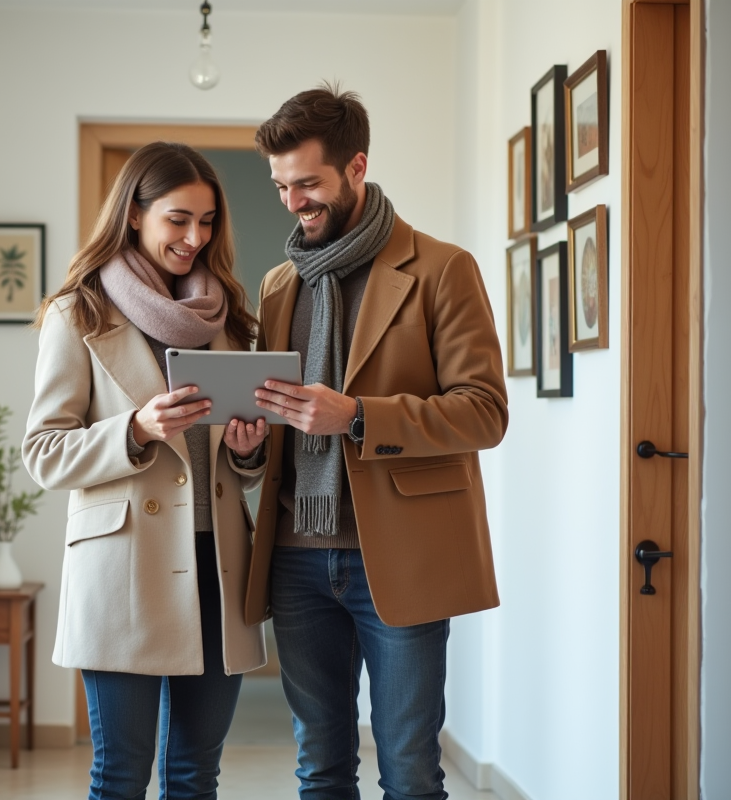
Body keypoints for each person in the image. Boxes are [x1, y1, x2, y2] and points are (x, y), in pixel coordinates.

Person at [247, 84, 509, 800]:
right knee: (320, 769)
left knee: (410, 771)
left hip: (404, 554)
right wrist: (246, 437)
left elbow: (484, 412)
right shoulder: (277, 286)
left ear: (357, 168)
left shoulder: (442, 269)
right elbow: (274, 426)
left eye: (308, 184)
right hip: (297, 561)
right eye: (280, 186)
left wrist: (358, 415)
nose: (293, 202)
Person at [22, 141, 270, 800]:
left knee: (195, 775)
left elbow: (237, 466)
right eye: (178, 219)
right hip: (123, 570)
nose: (195, 237)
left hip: (220, 568)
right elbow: (43, 451)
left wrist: (247, 449)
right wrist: (135, 430)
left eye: (208, 221)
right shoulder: (78, 313)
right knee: (121, 775)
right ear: (134, 214)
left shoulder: (229, 319)